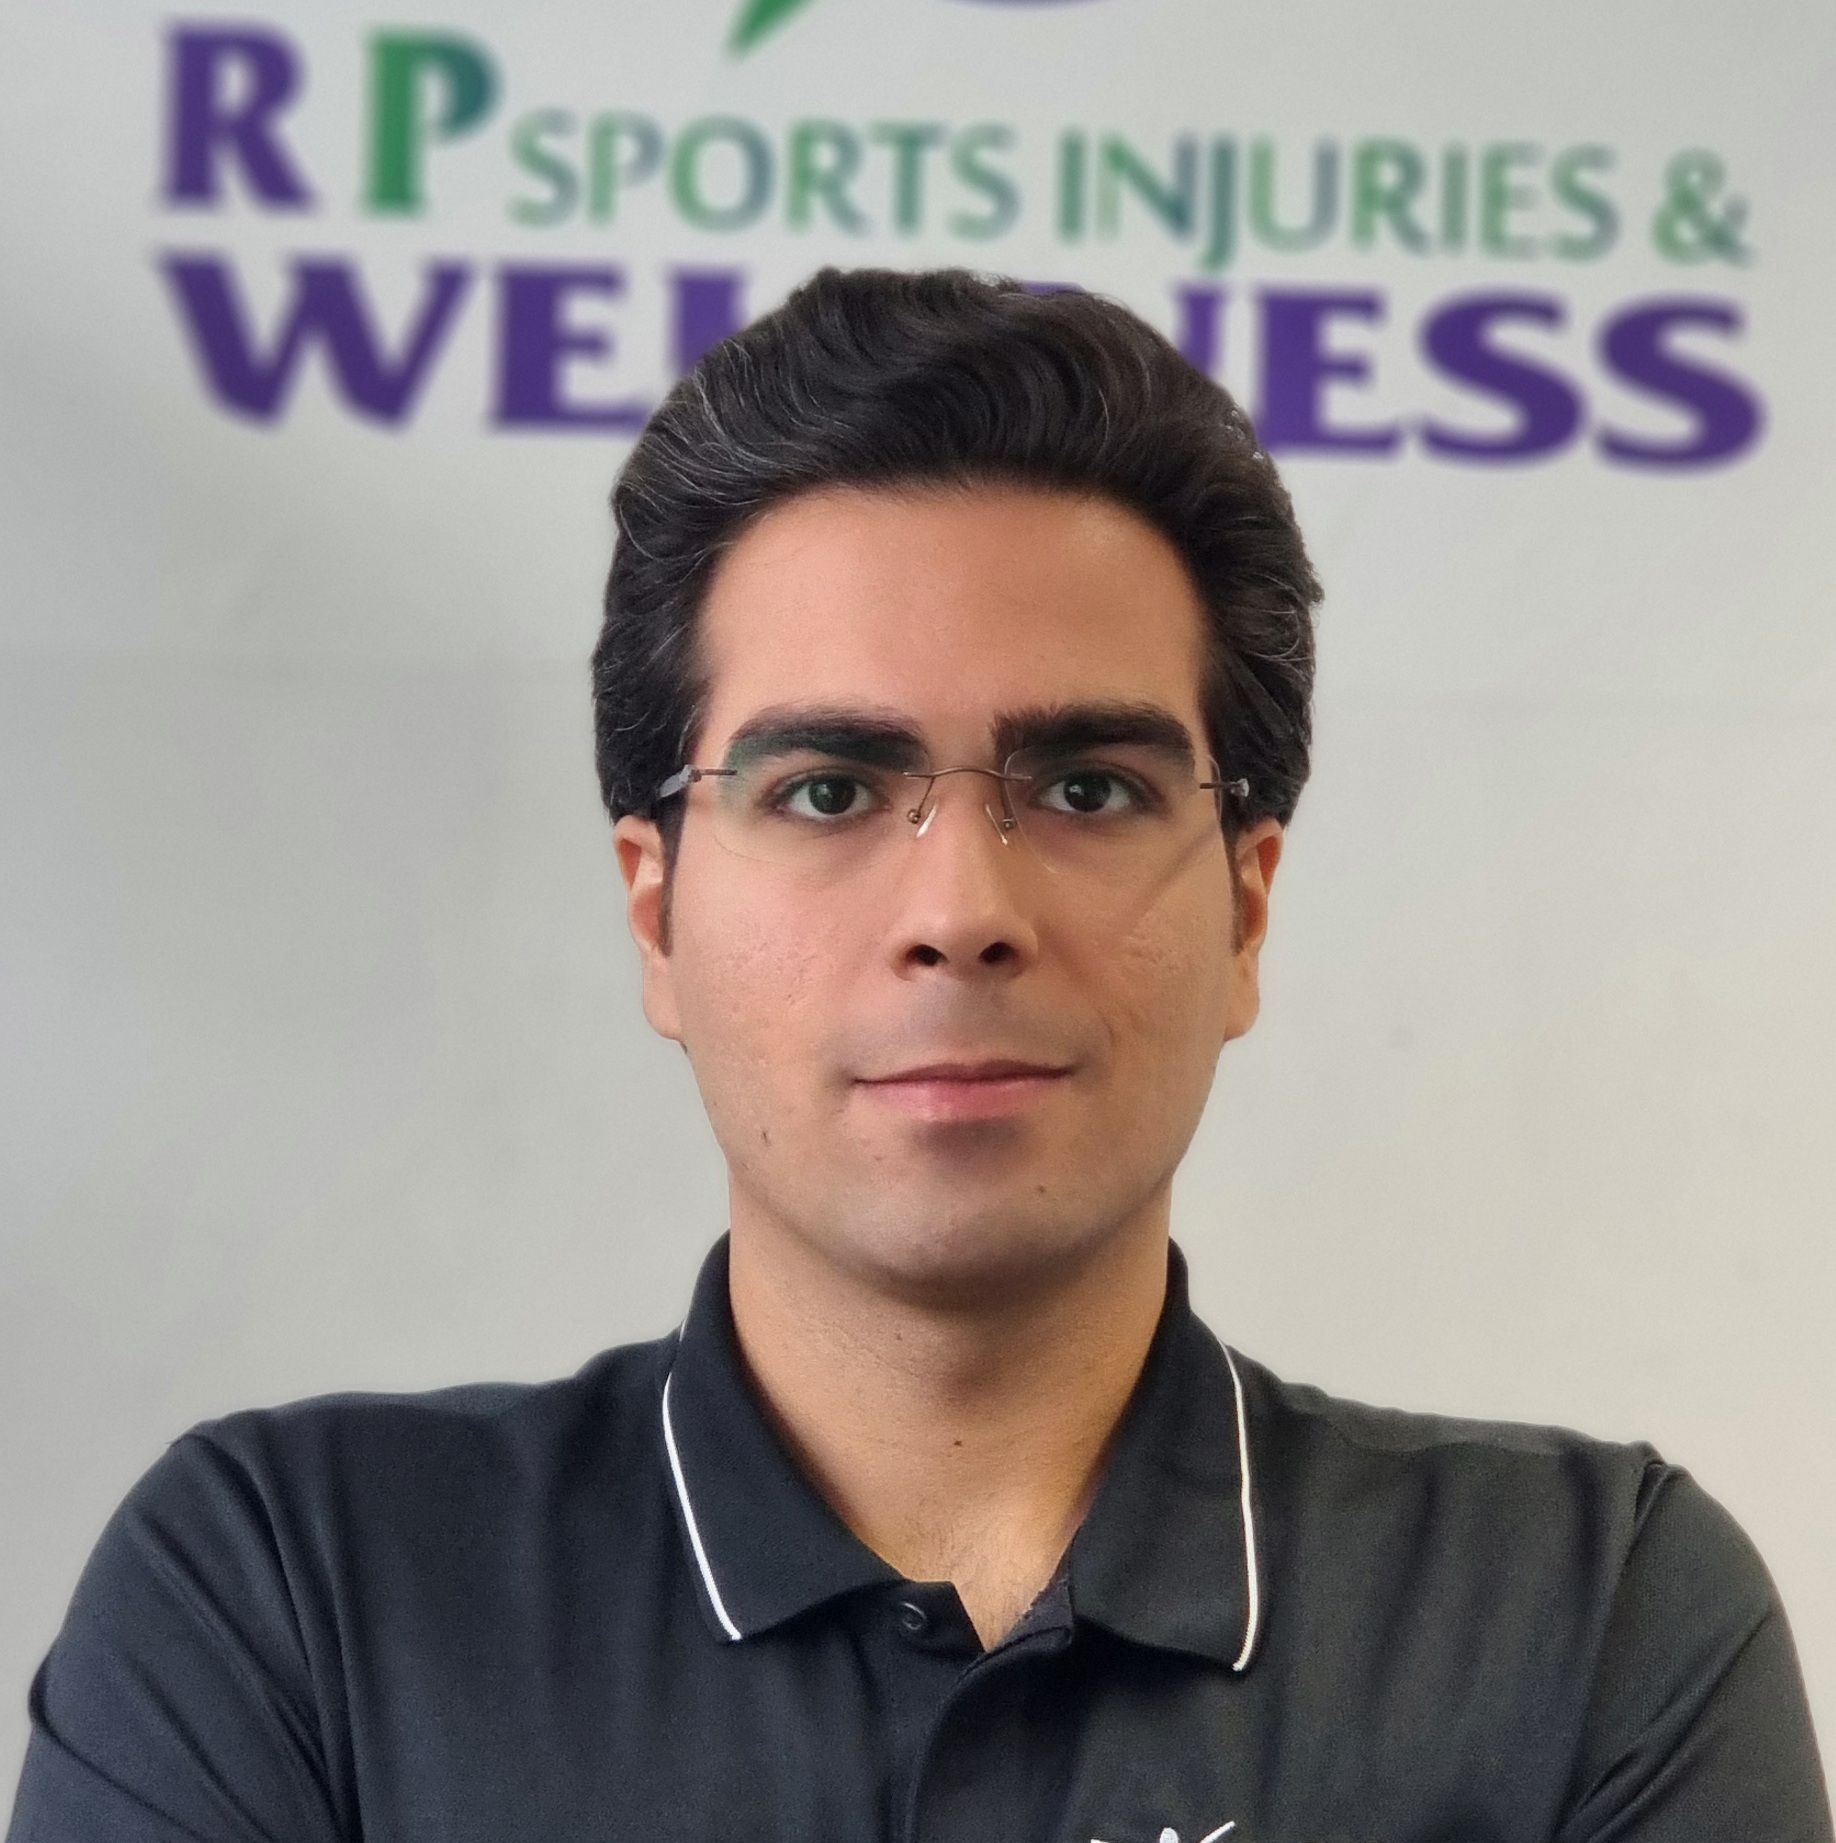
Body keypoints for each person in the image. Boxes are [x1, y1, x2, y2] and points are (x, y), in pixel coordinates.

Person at [7, 265, 1829, 1843]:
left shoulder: (1587, 1619)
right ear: (655, 911)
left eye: (1090, 786)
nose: (961, 905)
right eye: (826, 788)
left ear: (1248, 911)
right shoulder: (293, 1595)